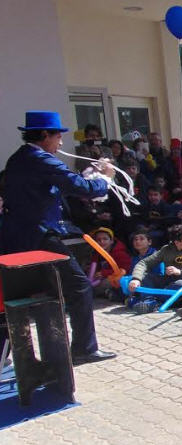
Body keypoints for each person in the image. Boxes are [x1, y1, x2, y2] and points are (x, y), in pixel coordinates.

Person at [1, 112, 118, 362]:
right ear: (45, 135)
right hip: (38, 238)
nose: (61, 143)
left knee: (17, 296)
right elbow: (81, 188)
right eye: (58, 136)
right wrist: (105, 178)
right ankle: (84, 349)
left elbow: (63, 185)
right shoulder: (41, 159)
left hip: (16, 238)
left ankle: (10, 353)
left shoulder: (19, 158)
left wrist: (90, 174)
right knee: (79, 286)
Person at [128, 224, 182, 313]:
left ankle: (152, 302)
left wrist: (179, 272)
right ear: (177, 242)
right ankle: (149, 300)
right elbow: (144, 263)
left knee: (181, 284)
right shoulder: (166, 250)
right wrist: (136, 279)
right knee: (145, 277)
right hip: (167, 282)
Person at [87, 227, 131, 299]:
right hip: (102, 277)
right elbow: (94, 267)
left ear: (111, 241)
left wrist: (104, 273)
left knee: (99, 286)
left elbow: (125, 269)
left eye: (105, 239)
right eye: (98, 240)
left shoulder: (120, 253)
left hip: (118, 278)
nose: (102, 242)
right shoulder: (96, 253)